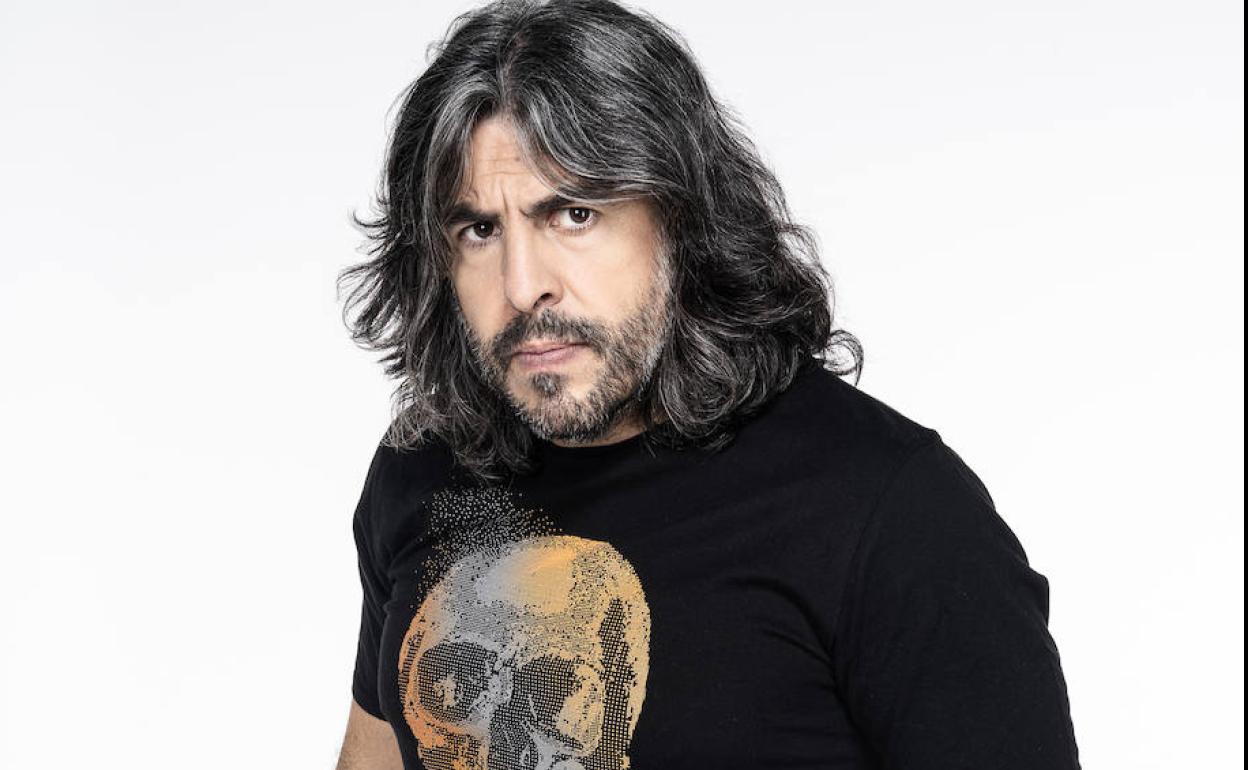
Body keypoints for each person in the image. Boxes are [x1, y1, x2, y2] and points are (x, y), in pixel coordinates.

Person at [333, 1, 1082, 768]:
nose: (523, 287)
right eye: (480, 230)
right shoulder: (421, 470)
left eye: (574, 214)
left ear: (680, 219)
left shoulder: (891, 513)